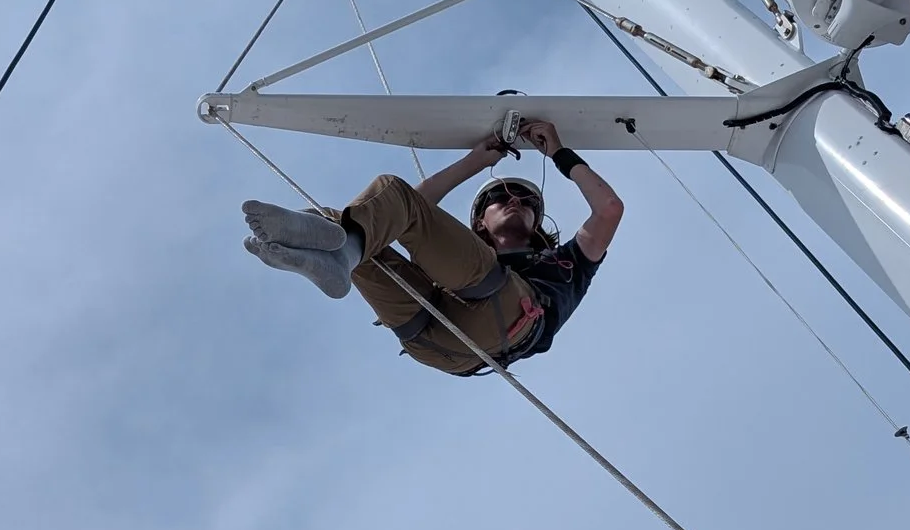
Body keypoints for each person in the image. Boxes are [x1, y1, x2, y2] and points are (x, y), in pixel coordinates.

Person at [240, 119, 623, 375]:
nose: (515, 200)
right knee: (338, 219)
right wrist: (474, 162)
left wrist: (557, 151)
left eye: (526, 200)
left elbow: (608, 210)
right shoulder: (465, 253)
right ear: (479, 222)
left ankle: (344, 256)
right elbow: (400, 209)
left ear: (537, 221)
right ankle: (338, 258)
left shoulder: (566, 263)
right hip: (427, 337)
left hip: (501, 322)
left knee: (390, 204)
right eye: (501, 197)